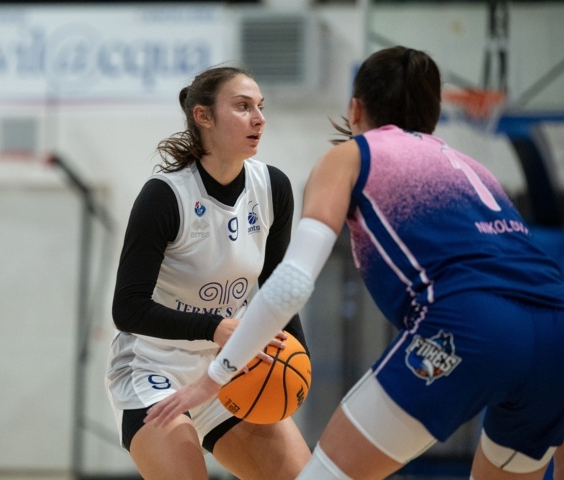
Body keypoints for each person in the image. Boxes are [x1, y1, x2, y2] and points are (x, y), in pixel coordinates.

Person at [145, 46, 564, 480]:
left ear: (355, 108)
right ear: (434, 115)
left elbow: (292, 283)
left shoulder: (353, 155)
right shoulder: (476, 170)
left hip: (469, 324)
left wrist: (216, 375)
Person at [104, 65, 312, 480]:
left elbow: (277, 287)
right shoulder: (165, 196)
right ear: (203, 116)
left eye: (261, 107)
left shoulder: (273, 188)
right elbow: (127, 309)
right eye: (243, 106)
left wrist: (297, 357)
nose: (259, 118)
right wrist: (215, 327)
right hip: (154, 369)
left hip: (232, 367)